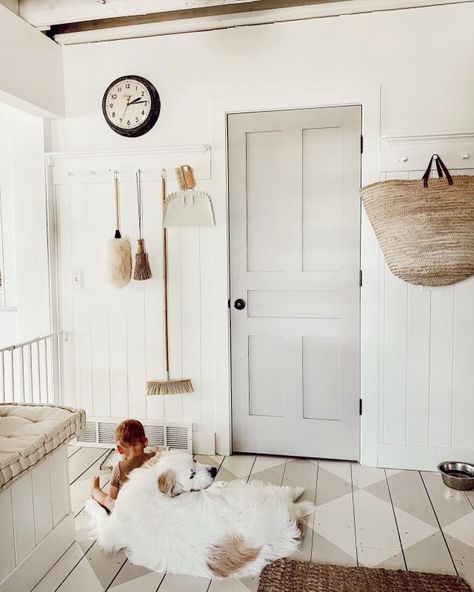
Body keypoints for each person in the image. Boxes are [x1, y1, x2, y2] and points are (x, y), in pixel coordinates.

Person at [90, 419, 154, 512]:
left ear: (119, 449)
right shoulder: (155, 458)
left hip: (128, 511)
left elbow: (112, 496)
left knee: (108, 501)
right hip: (149, 505)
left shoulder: (120, 468)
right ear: (145, 442)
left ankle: (94, 489)